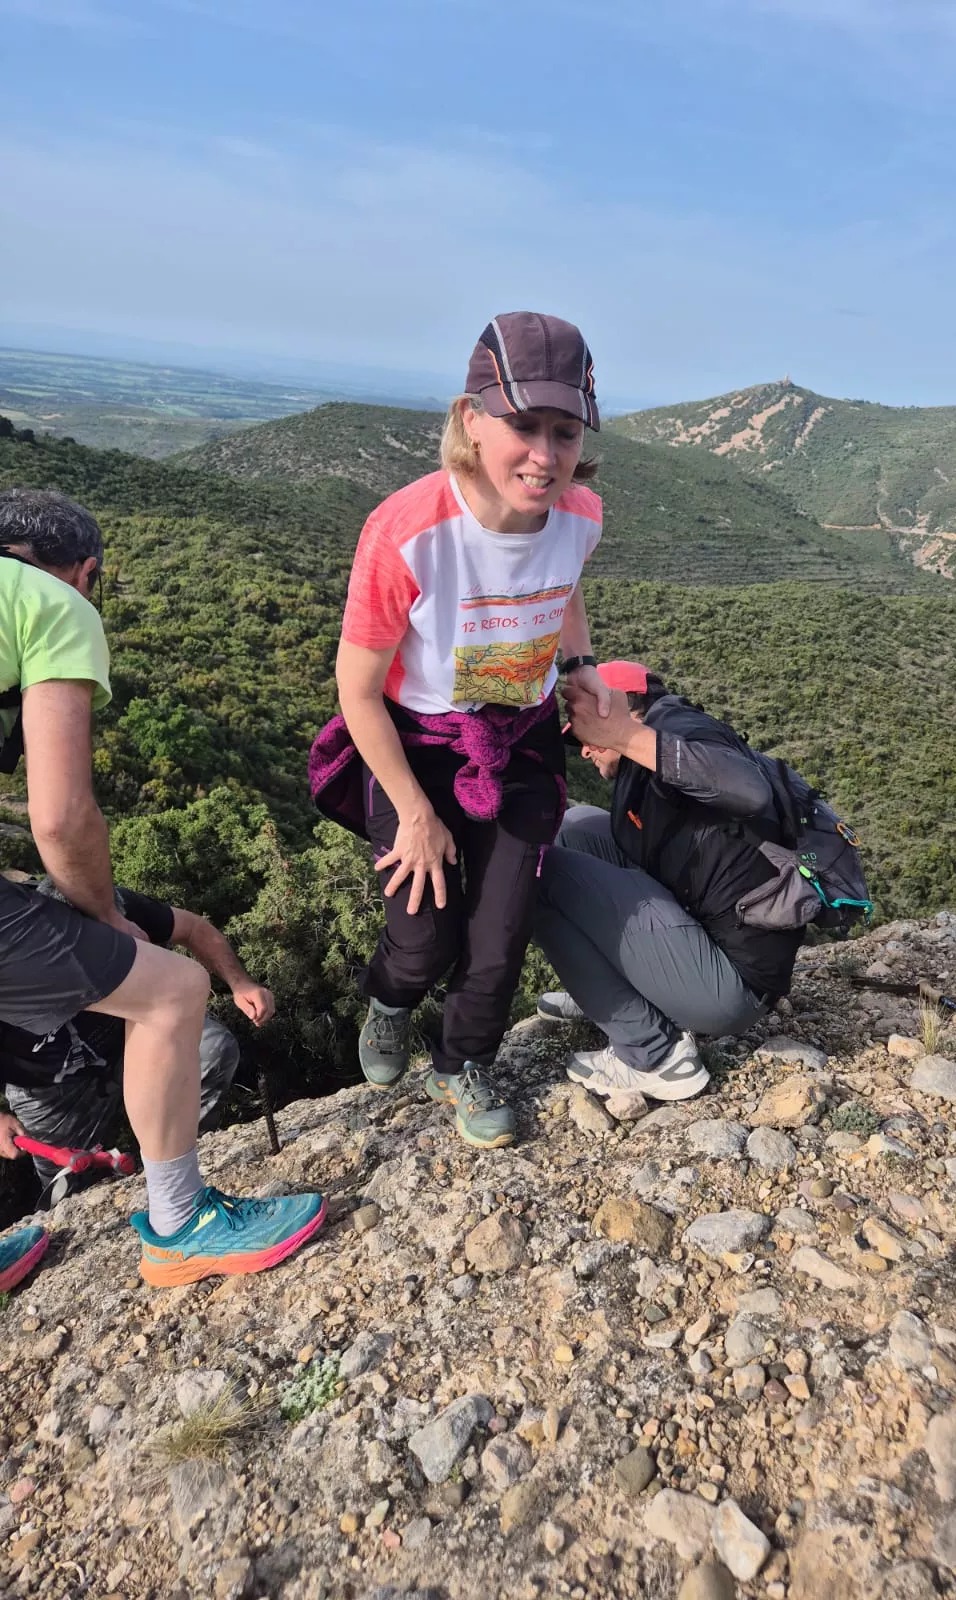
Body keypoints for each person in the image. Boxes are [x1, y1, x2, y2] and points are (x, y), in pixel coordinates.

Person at [0, 487, 324, 1286]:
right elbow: (64, 816)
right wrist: (105, 915)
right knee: (174, 991)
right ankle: (180, 1226)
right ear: (87, 571)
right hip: (51, 1090)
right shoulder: (50, 602)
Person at [330, 312, 609, 1149]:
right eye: (523, 425)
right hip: (416, 745)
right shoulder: (408, 531)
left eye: (565, 431)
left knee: (499, 935)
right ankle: (390, 1000)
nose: (545, 455)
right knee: (422, 934)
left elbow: (562, 591)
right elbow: (358, 692)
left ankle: (463, 1063)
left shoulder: (581, 517)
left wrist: (582, 668)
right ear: (470, 419)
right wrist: (413, 811)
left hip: (519, 742)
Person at [533, 661, 812, 1100]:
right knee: (575, 827)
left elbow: (749, 789)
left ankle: (654, 1054)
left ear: (625, 708)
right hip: (705, 939)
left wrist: (623, 736)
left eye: (587, 731)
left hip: (730, 987)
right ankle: (616, 997)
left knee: (537, 874)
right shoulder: (649, 757)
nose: (585, 748)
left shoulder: (680, 730)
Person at [0, 878, 272, 1206]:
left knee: (211, 1051)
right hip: (47, 1091)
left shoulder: (106, 907)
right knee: (69, 1192)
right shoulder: (15, 942)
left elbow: (194, 928)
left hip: (133, 1042)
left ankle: (180, 1164)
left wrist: (240, 983)